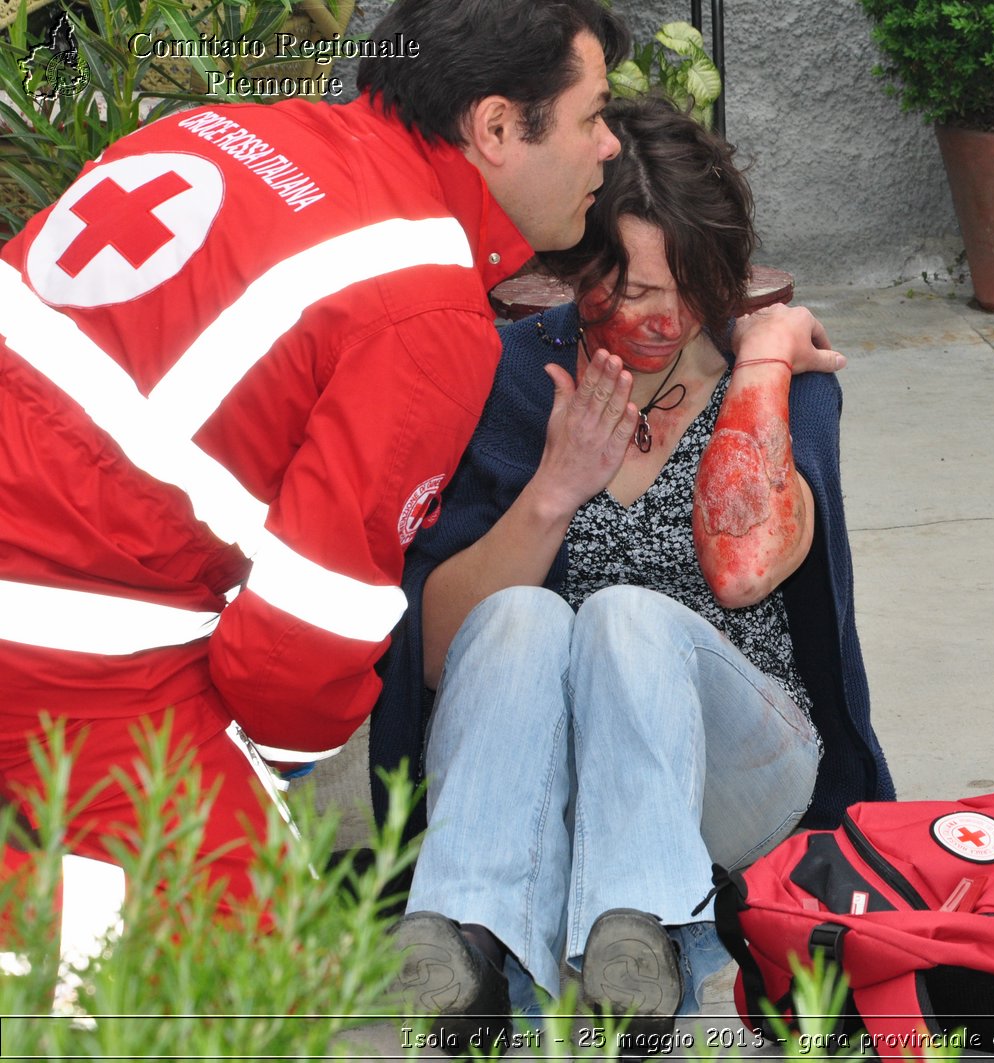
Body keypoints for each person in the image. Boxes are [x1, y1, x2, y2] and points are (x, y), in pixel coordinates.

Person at [0, 0, 629, 905]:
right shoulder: (422, 310)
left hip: (63, 580)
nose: (608, 145)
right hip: (66, 635)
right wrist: (273, 778)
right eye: (593, 114)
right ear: (496, 127)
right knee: (228, 982)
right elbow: (295, 654)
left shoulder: (223, 130)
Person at [366, 96, 894, 1048]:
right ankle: (465, 947)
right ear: (574, 270)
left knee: (623, 615)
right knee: (524, 618)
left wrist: (766, 359)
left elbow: (744, 572)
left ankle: (640, 927)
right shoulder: (510, 377)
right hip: (541, 780)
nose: (659, 317)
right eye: (627, 286)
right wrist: (552, 491)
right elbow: (437, 653)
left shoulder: (775, 380)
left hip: (740, 767)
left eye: (685, 285)